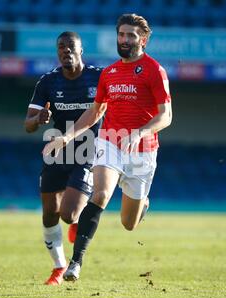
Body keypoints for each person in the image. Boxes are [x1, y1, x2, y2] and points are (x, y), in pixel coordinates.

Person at [43, 14, 173, 282]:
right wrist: (67, 138)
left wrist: (140, 133)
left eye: (131, 36)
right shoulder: (109, 73)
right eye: (121, 35)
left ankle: (142, 205)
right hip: (109, 141)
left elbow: (166, 116)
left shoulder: (154, 71)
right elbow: (95, 112)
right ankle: (75, 263)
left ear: (144, 40)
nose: (124, 40)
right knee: (100, 195)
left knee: (129, 224)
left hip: (143, 150)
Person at [24, 31, 103, 285]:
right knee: (49, 212)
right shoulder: (48, 82)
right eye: (61, 47)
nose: (66, 50)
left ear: (81, 50)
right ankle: (58, 267)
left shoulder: (97, 77)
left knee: (68, 214)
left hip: (87, 150)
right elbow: (28, 124)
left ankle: (77, 221)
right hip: (58, 148)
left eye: (71, 46)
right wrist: (39, 119)